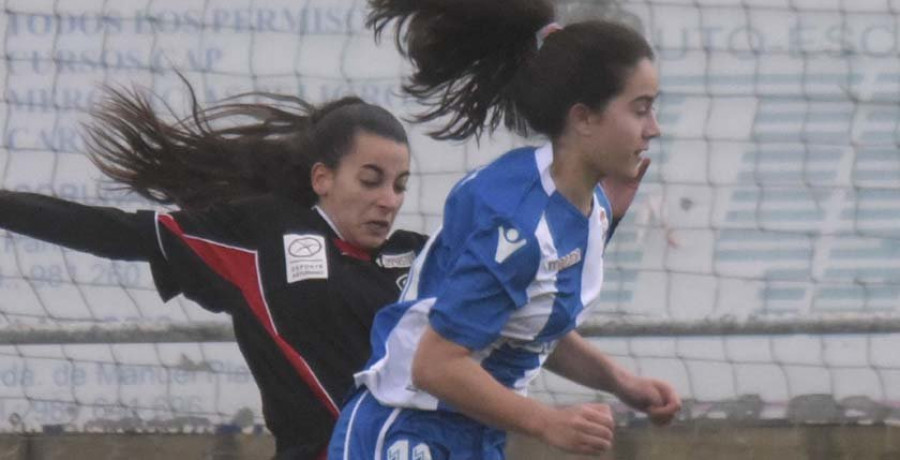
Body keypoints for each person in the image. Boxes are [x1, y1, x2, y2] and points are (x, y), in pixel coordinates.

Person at [328, 1, 681, 458]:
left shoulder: (589, 208)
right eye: (641, 109)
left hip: (473, 434)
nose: (654, 128)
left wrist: (622, 383)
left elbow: (523, 324)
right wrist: (548, 423)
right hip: (410, 430)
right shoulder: (516, 223)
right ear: (584, 118)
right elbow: (435, 365)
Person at [0, 84, 426, 459]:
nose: (389, 199)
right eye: (371, 180)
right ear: (322, 178)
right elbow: (118, 232)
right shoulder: (263, 238)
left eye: (400, 185)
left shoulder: (423, 259)